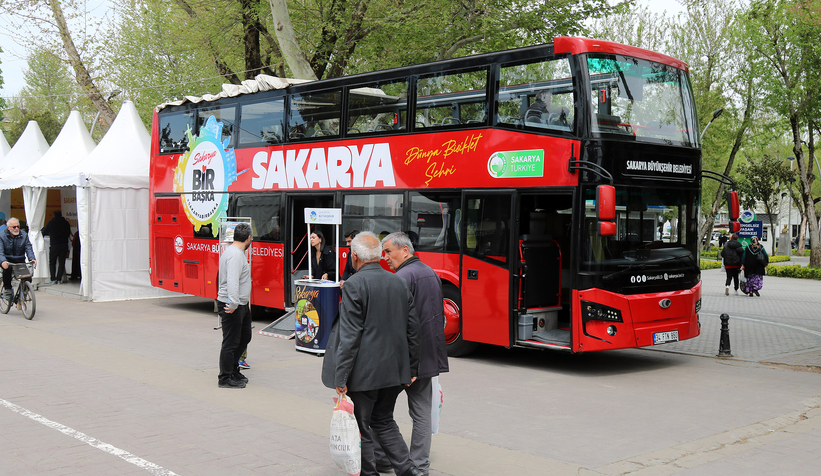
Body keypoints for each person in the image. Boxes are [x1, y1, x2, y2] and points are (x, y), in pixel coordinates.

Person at [321, 232, 422, 476]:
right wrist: (412, 368)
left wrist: (341, 377)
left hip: (364, 373)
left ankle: (369, 473)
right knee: (384, 420)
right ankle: (409, 471)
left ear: (353, 256)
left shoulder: (355, 284)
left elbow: (350, 336)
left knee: (362, 425)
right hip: (395, 371)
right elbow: (413, 329)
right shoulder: (398, 281)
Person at [377, 232, 449, 475]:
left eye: (388, 251)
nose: (384, 257)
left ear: (405, 251)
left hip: (405, 360)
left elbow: (396, 323)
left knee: (379, 410)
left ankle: (383, 458)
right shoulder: (430, 272)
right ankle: (420, 467)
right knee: (421, 415)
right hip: (429, 356)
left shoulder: (401, 277)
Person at [217, 223, 253, 389]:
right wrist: (233, 303)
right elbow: (232, 280)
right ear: (248, 238)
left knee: (244, 337)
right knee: (231, 342)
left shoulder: (234, 252)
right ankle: (225, 377)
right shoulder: (236, 255)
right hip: (233, 305)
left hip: (240, 304)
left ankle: (233, 370)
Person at [0, 218, 36, 296]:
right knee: (7, 270)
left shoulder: (24, 235)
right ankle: (7, 288)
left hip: (20, 260)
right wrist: (3, 261)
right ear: (8, 228)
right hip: (7, 260)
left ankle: (22, 295)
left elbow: (28, 247)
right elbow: (0, 251)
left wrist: (32, 258)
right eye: (14, 227)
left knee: (28, 277)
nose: (16, 229)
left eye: (18, 226)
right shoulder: (2, 236)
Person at [42, 210, 72, 284]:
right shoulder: (66, 223)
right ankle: (59, 279)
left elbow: (44, 231)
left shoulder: (51, 222)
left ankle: (53, 279)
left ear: (54, 215)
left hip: (54, 245)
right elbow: (68, 233)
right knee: (62, 262)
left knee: (52, 262)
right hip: (64, 244)